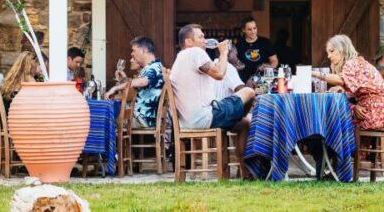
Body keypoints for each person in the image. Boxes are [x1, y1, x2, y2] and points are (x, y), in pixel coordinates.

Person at [171, 24, 255, 175]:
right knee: (249, 92)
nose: (205, 40)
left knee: (245, 124)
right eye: (201, 37)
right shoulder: (195, 52)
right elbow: (219, 74)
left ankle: (246, 173)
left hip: (189, 121)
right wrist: (223, 53)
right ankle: (248, 172)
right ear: (189, 42)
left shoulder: (180, 58)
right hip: (206, 116)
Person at [311, 34, 384, 130]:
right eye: (328, 53)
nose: (328, 56)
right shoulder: (357, 62)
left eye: (332, 51)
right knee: (333, 117)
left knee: (333, 120)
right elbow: (354, 89)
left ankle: (333, 144)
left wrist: (314, 73)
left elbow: (341, 80)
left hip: (377, 114)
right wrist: (342, 93)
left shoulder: (353, 63)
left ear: (342, 49)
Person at [104, 36, 164, 128]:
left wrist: (115, 88)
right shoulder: (152, 67)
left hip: (141, 119)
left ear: (143, 50)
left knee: (103, 119)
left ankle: (100, 142)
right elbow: (137, 88)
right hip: (139, 117)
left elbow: (143, 82)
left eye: (133, 50)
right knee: (107, 115)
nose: (132, 53)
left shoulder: (154, 67)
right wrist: (124, 80)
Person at [235, 17, 278, 83]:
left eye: (254, 28)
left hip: (263, 81)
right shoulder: (239, 44)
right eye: (249, 29)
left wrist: (268, 68)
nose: (253, 32)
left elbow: (274, 61)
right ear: (243, 30)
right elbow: (236, 63)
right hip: (244, 81)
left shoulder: (265, 42)